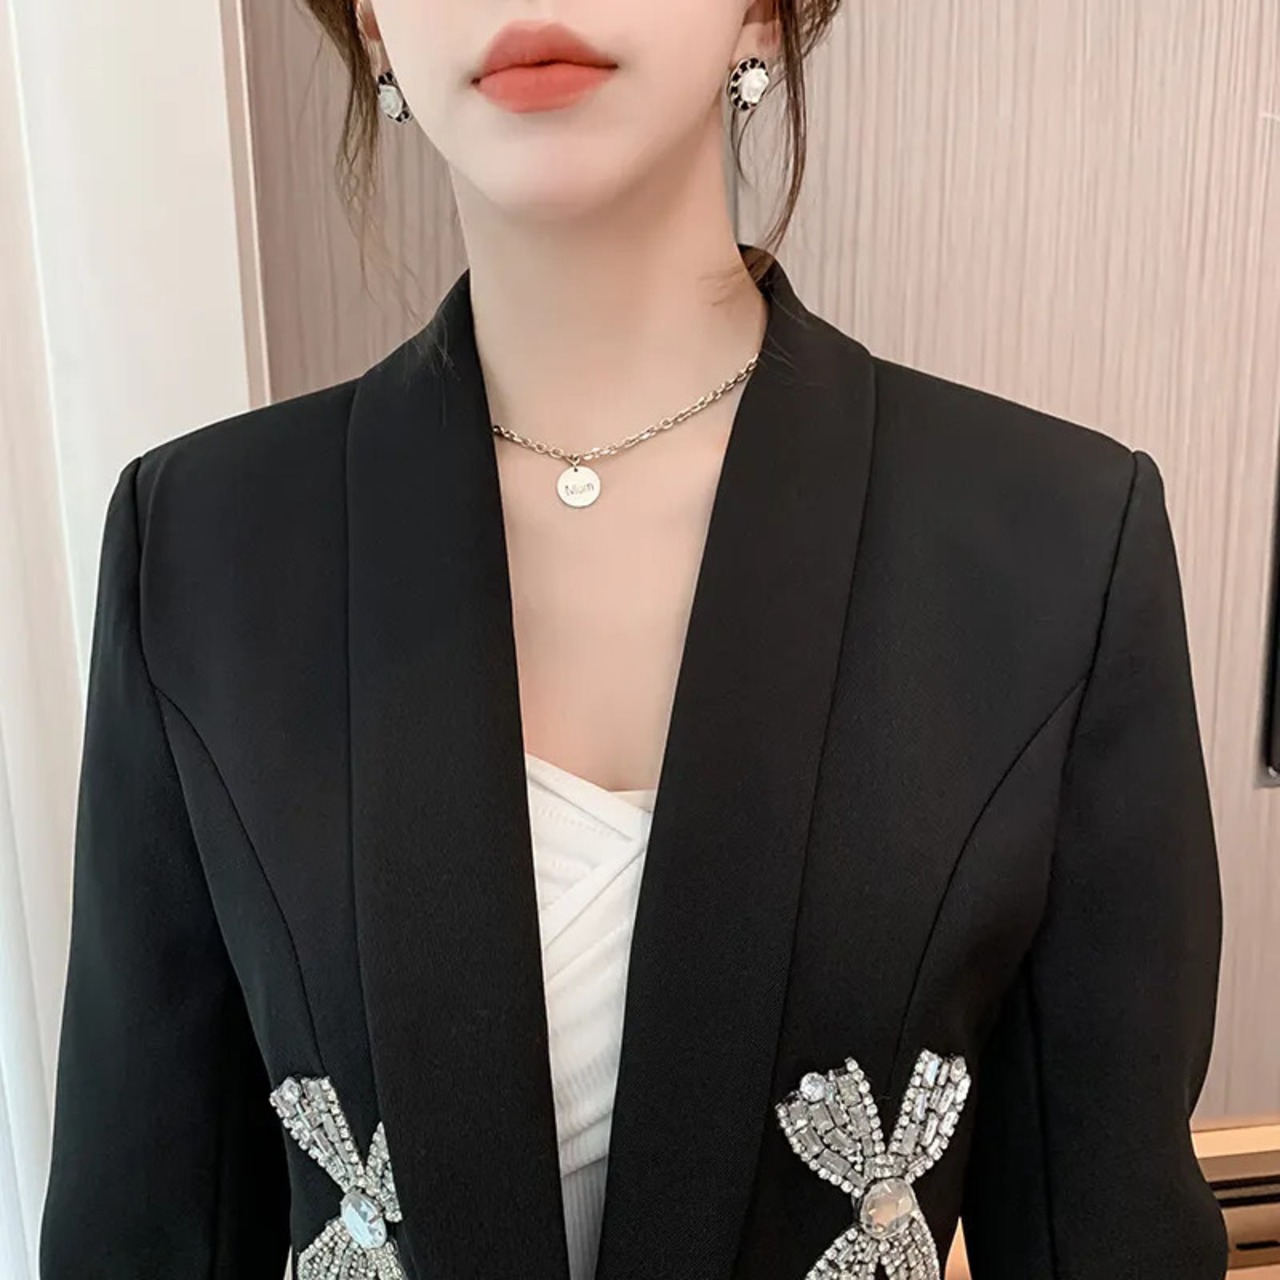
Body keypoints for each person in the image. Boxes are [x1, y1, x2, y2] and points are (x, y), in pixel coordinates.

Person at [38, 2, 1227, 1278]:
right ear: (372, 24)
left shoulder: (1055, 550)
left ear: (761, 11)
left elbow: (1107, 1231)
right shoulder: (198, 550)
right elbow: (141, 1225)